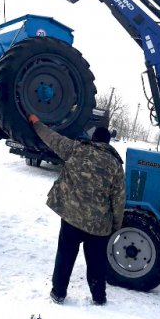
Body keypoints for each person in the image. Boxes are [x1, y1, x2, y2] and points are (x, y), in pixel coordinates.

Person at [28, 114, 125, 306]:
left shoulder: (76, 149)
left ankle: (58, 293)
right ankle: (99, 297)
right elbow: (119, 199)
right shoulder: (115, 165)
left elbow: (52, 138)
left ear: (93, 139)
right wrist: (116, 225)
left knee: (65, 256)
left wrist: (36, 122)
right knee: (96, 262)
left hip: (72, 218)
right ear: (108, 143)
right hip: (98, 226)